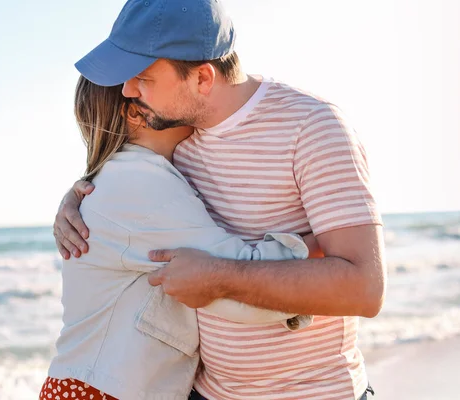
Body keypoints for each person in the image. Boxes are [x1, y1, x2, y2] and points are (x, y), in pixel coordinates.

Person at [54, 0, 386, 398]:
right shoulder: (178, 138)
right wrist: (79, 194)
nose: (127, 91)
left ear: (203, 79)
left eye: (143, 77)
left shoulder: (311, 127)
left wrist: (219, 278)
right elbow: (128, 191)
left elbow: (364, 289)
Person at [41, 76, 316, 400]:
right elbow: (234, 283)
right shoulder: (139, 183)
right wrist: (320, 245)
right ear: (135, 113)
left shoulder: (126, 177)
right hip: (104, 391)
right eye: (155, 82)